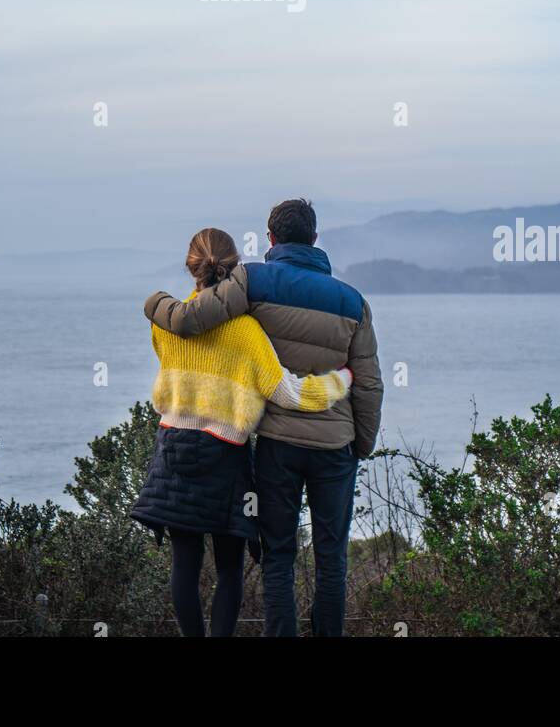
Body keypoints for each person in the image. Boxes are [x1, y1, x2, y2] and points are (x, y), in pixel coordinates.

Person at [144, 199, 383, 637]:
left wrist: (157, 304)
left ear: (270, 238)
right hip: (335, 448)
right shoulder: (354, 302)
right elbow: (368, 384)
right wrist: (360, 445)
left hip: (278, 444)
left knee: (278, 554)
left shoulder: (252, 281)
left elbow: (192, 319)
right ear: (314, 238)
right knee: (332, 556)